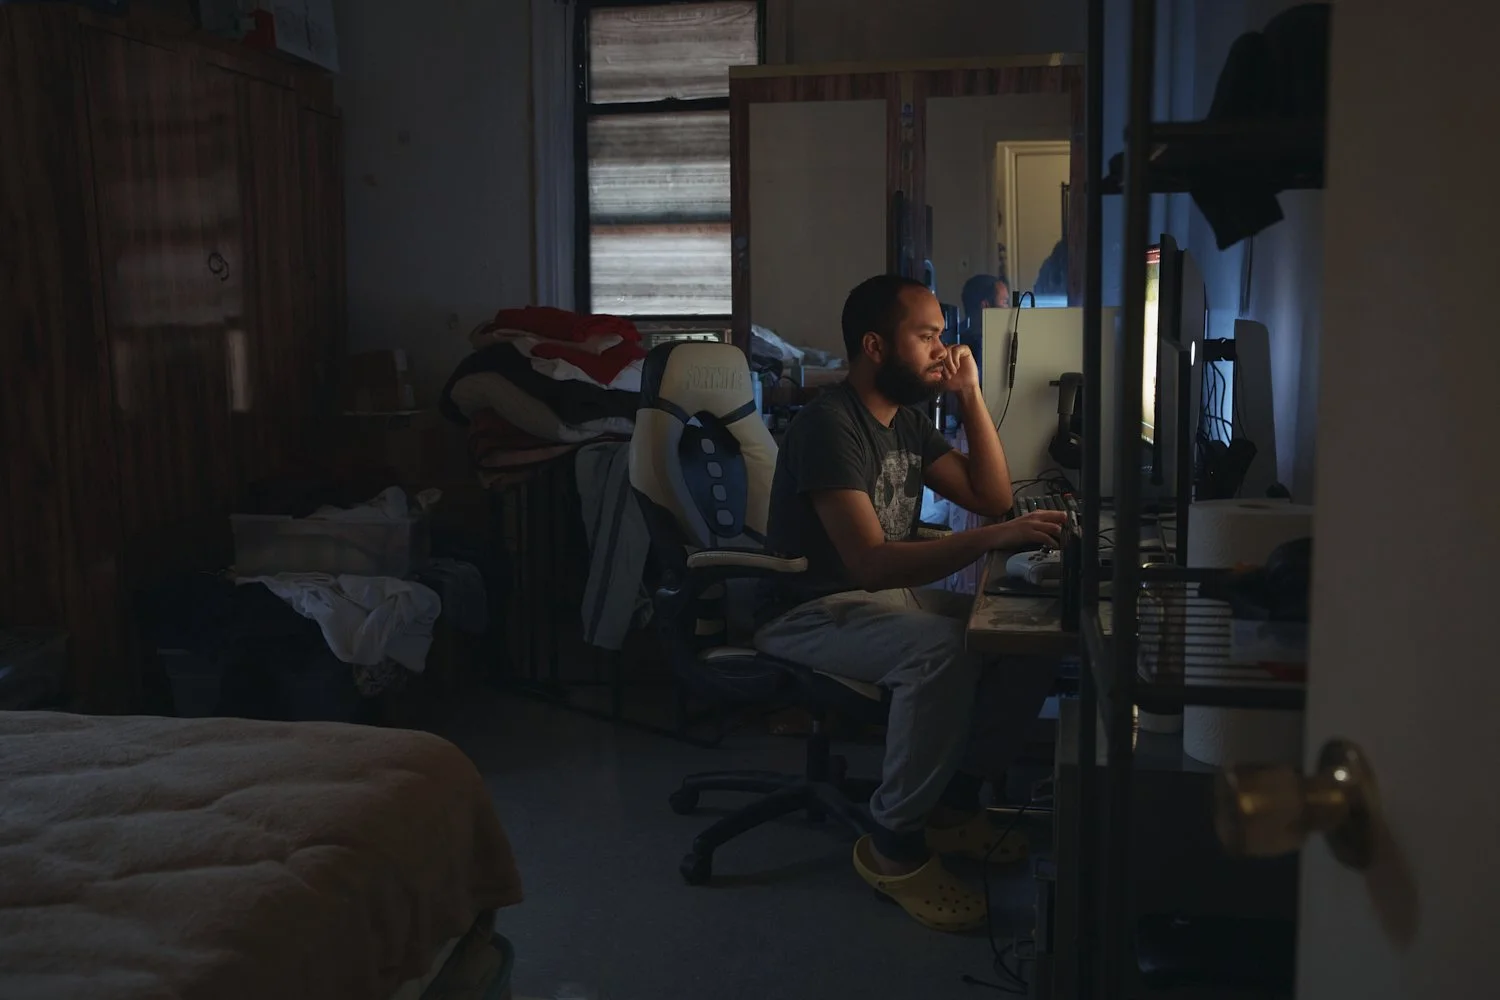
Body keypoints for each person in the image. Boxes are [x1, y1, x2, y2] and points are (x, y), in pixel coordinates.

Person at [754, 274, 1066, 932]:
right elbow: (867, 563)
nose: (943, 351)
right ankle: (893, 842)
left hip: (877, 601)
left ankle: (952, 805)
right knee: (944, 651)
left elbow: (991, 496)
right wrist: (995, 537)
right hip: (810, 611)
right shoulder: (829, 425)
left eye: (942, 337)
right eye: (927, 337)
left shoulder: (908, 423)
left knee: (1027, 632)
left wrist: (972, 395)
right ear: (876, 346)